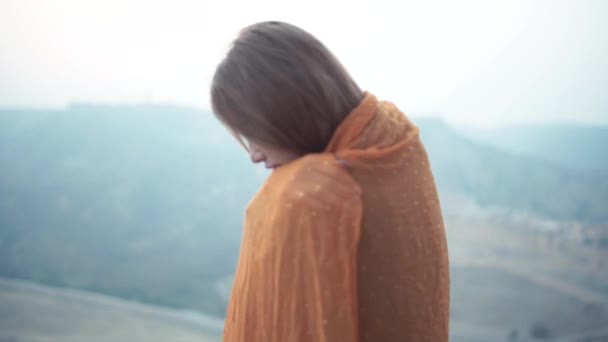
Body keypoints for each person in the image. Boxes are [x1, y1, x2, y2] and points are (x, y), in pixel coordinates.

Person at [210, 21, 450, 342]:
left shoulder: (308, 195)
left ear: (285, 112)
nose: (253, 154)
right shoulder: (397, 144)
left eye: (254, 134)